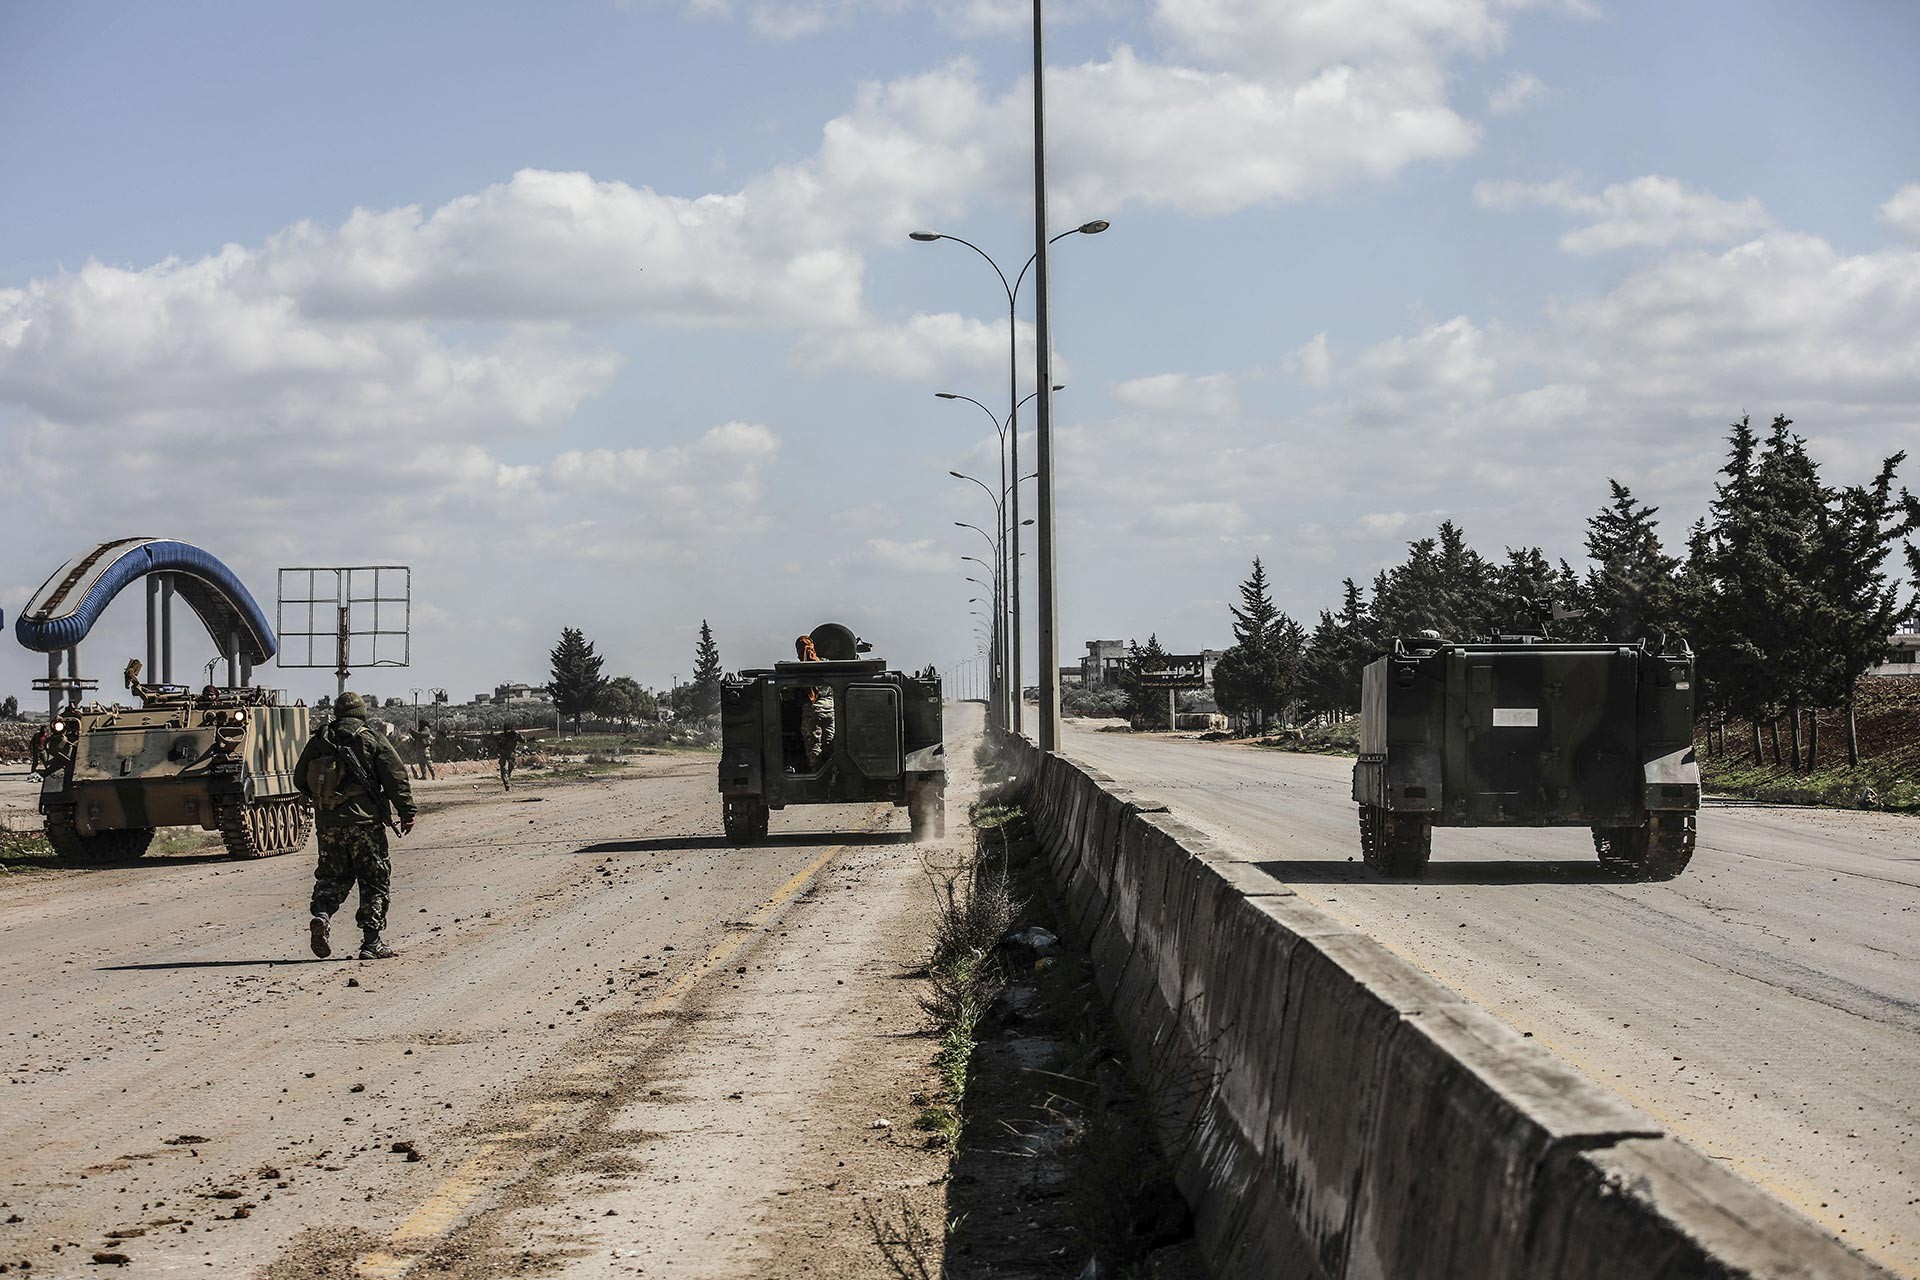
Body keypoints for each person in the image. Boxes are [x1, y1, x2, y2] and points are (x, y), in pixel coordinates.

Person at [294, 691, 416, 961]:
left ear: (337, 713)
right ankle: (371, 942)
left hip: (328, 824)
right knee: (374, 880)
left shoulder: (320, 740)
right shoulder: (371, 738)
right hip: (364, 823)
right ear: (361, 713)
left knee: (331, 876)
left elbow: (299, 778)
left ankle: (322, 916)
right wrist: (406, 811)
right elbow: (396, 776)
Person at [794, 635, 834, 770]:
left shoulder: (800, 669)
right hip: (830, 709)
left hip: (813, 710)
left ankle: (817, 773)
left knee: (814, 745)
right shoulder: (826, 663)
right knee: (829, 742)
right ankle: (831, 772)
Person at [494, 727, 519, 791]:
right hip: (506, 753)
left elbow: (523, 740)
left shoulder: (515, 735)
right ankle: (506, 782)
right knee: (504, 768)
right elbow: (496, 740)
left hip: (508, 754)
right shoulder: (503, 736)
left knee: (508, 768)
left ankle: (507, 780)